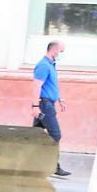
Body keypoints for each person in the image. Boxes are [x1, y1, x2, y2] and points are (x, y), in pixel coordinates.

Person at [33, 41, 71, 177]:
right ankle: (51, 165)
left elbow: (51, 85)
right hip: (44, 105)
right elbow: (36, 86)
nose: (61, 54)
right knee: (55, 135)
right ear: (54, 50)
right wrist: (35, 105)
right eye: (61, 51)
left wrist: (60, 99)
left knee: (35, 136)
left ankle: (34, 163)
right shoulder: (43, 66)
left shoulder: (51, 65)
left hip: (49, 103)